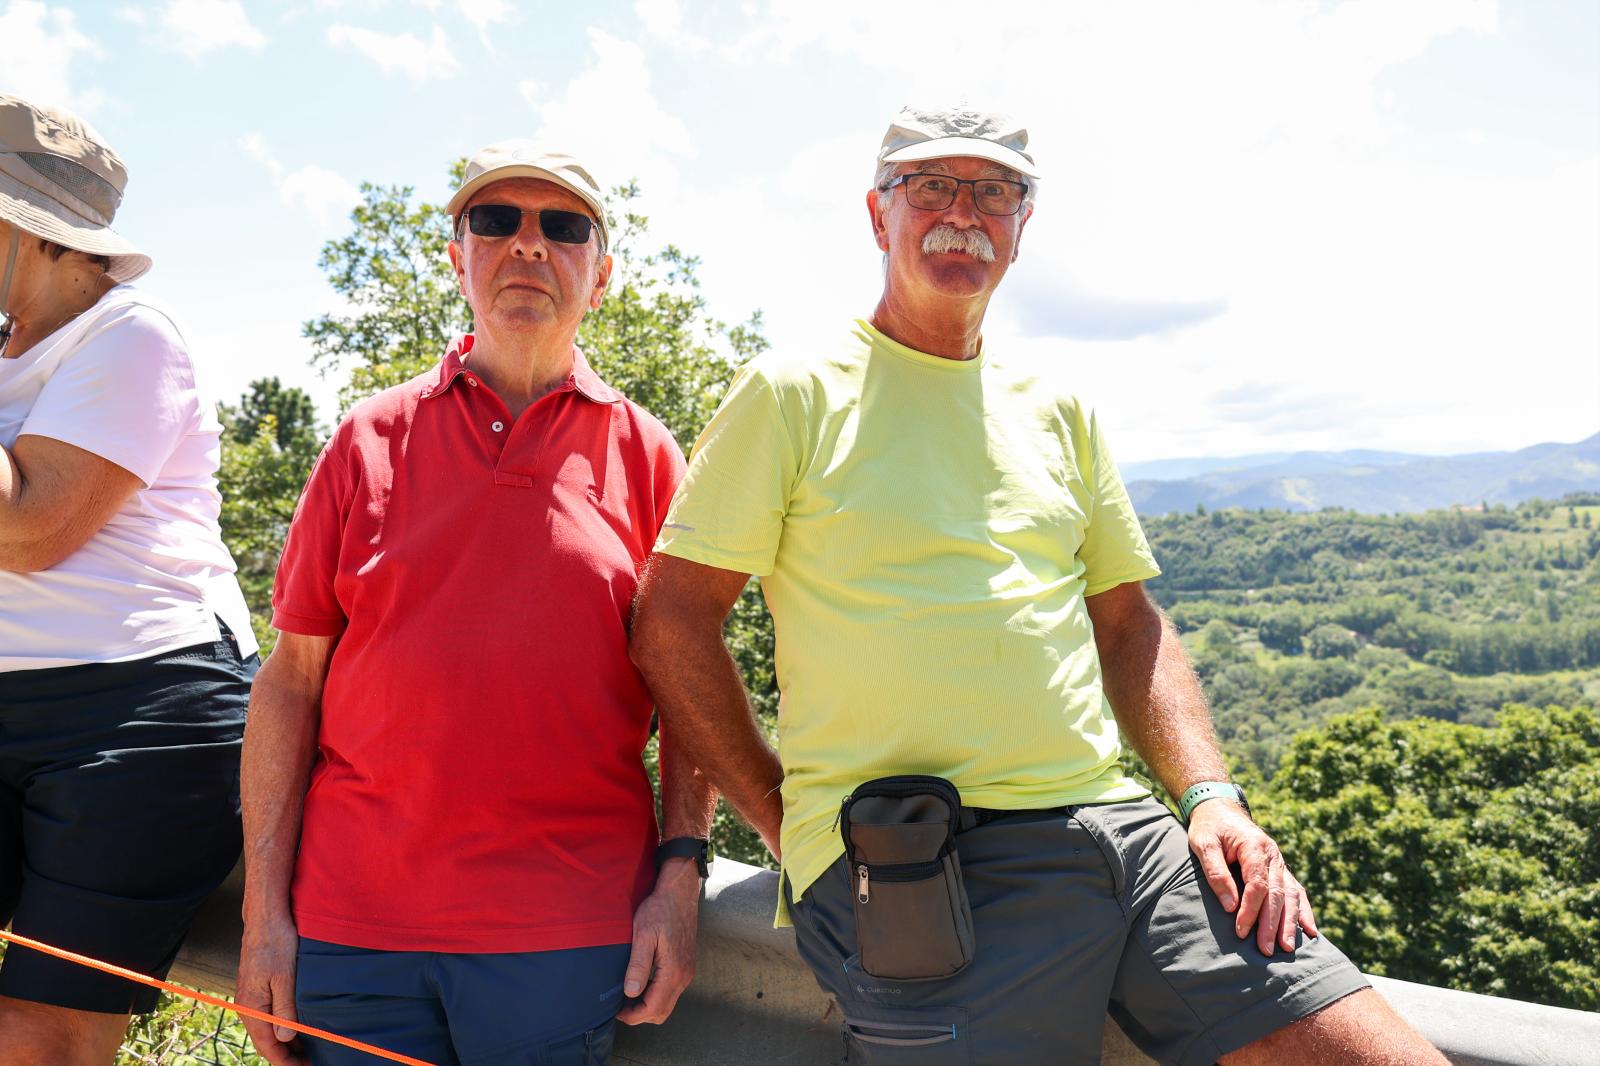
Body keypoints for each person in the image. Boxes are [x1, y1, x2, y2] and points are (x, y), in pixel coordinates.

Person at [628, 105, 1449, 1065]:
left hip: (1122, 835)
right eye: (931, 186)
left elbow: (1130, 626)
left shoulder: (1060, 409)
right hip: (914, 857)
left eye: (995, 192)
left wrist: (1210, 796)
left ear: (1023, 226)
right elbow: (671, 622)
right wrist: (786, 820)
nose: (963, 213)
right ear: (878, 214)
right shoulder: (792, 394)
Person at [238, 142, 713, 1066]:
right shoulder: (365, 439)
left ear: (601, 276)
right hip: (351, 934)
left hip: (563, 940)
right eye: (496, 222)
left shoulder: (653, 458)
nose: (528, 245)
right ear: (458, 258)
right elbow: (289, 685)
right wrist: (263, 915)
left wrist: (682, 873)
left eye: (562, 227)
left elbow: (692, 700)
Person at [0, 94, 258, 1065]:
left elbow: (32, 529)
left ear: (38, 234)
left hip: (141, 711)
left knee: (42, 1034)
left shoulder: (134, 337)